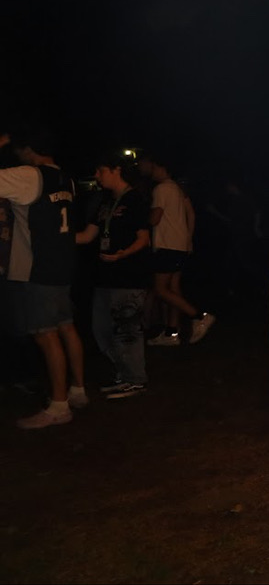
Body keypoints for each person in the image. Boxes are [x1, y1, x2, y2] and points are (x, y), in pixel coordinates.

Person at [0, 129, 88, 427]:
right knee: (66, 327)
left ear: (28, 149)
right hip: (63, 265)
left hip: (38, 268)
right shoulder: (66, 178)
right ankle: (77, 390)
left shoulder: (28, 175)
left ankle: (59, 407)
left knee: (44, 333)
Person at [75, 151, 153, 400]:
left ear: (116, 170)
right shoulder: (105, 202)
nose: (97, 177)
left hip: (128, 276)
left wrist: (122, 254)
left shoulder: (135, 200)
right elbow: (88, 236)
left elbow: (144, 239)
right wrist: (55, 236)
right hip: (104, 277)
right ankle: (123, 373)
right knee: (102, 330)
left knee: (127, 330)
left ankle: (135, 379)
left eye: (101, 171)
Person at [139, 151, 215, 346]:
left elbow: (155, 218)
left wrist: (139, 221)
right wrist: (188, 240)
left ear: (160, 167)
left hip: (166, 245)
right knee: (173, 289)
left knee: (160, 289)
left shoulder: (162, 189)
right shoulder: (178, 189)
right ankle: (171, 333)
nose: (149, 169)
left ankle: (199, 316)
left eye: (151, 166)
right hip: (179, 245)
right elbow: (192, 214)